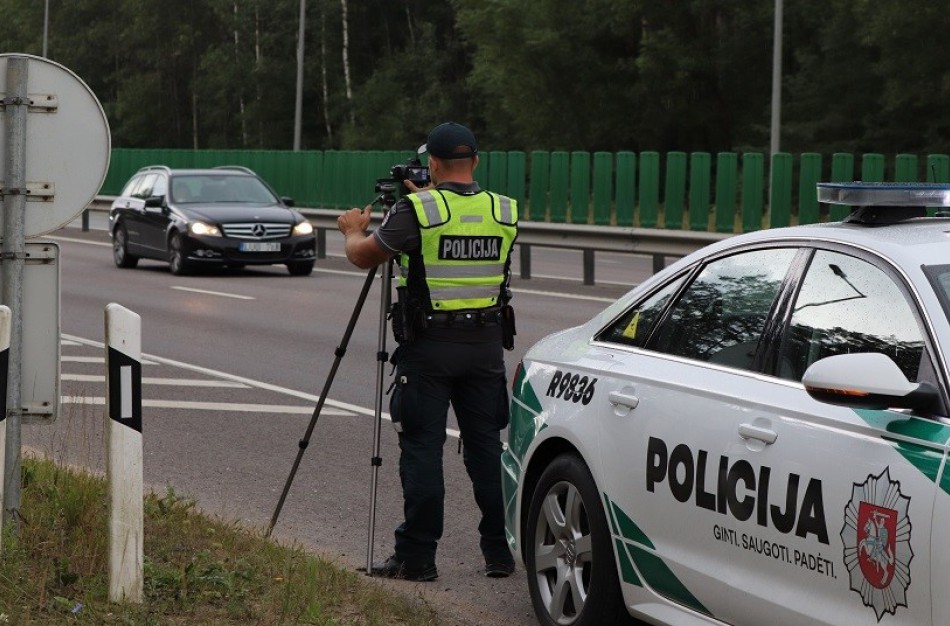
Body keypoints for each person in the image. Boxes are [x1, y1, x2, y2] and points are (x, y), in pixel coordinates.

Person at [336, 122, 518, 581]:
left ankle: (417, 558)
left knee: (422, 449)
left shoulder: (416, 210)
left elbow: (364, 255)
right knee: (485, 452)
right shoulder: (504, 210)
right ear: (475, 161)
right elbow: (460, 223)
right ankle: (499, 552)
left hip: (430, 349)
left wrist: (352, 230)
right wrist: (426, 196)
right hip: (485, 348)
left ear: (432, 164)